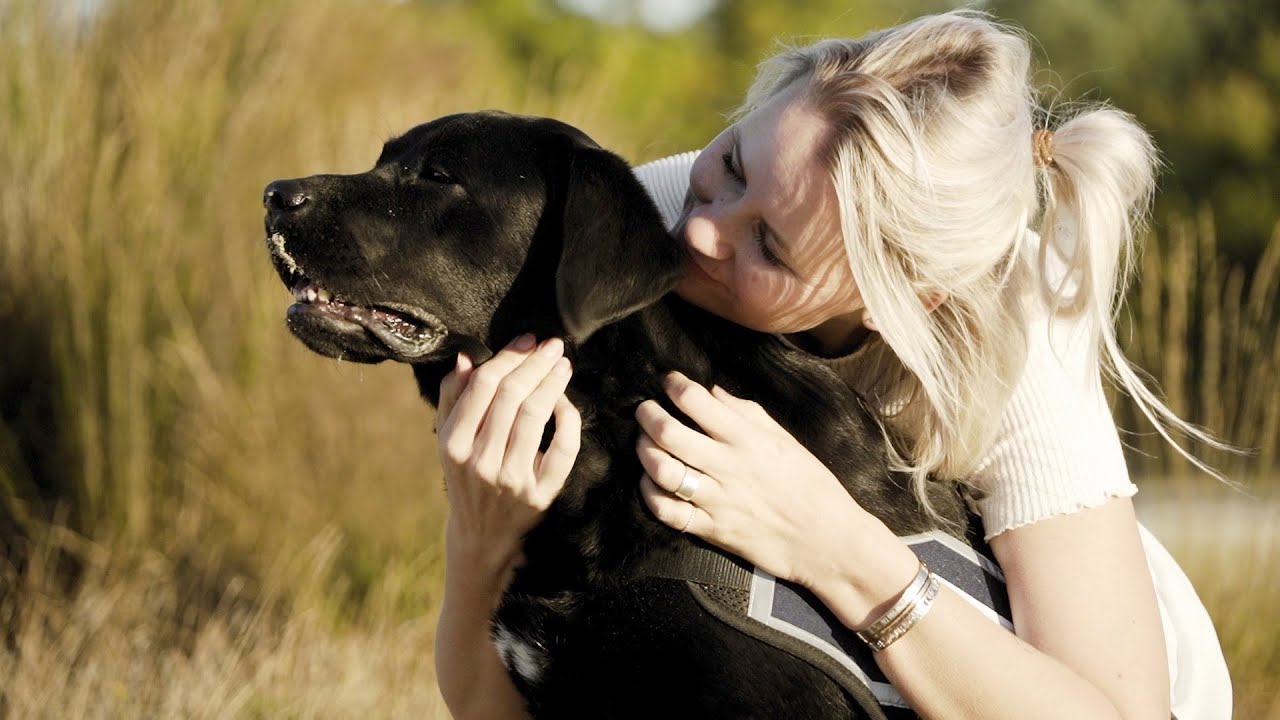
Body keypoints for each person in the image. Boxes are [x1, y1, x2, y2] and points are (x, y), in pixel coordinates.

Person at [431, 10, 1232, 719]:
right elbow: (487, 706)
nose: (705, 230)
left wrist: (833, 544)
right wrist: (481, 536)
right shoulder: (659, 217)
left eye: (769, 247)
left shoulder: (1019, 339)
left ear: (899, 300)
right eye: (733, 162)